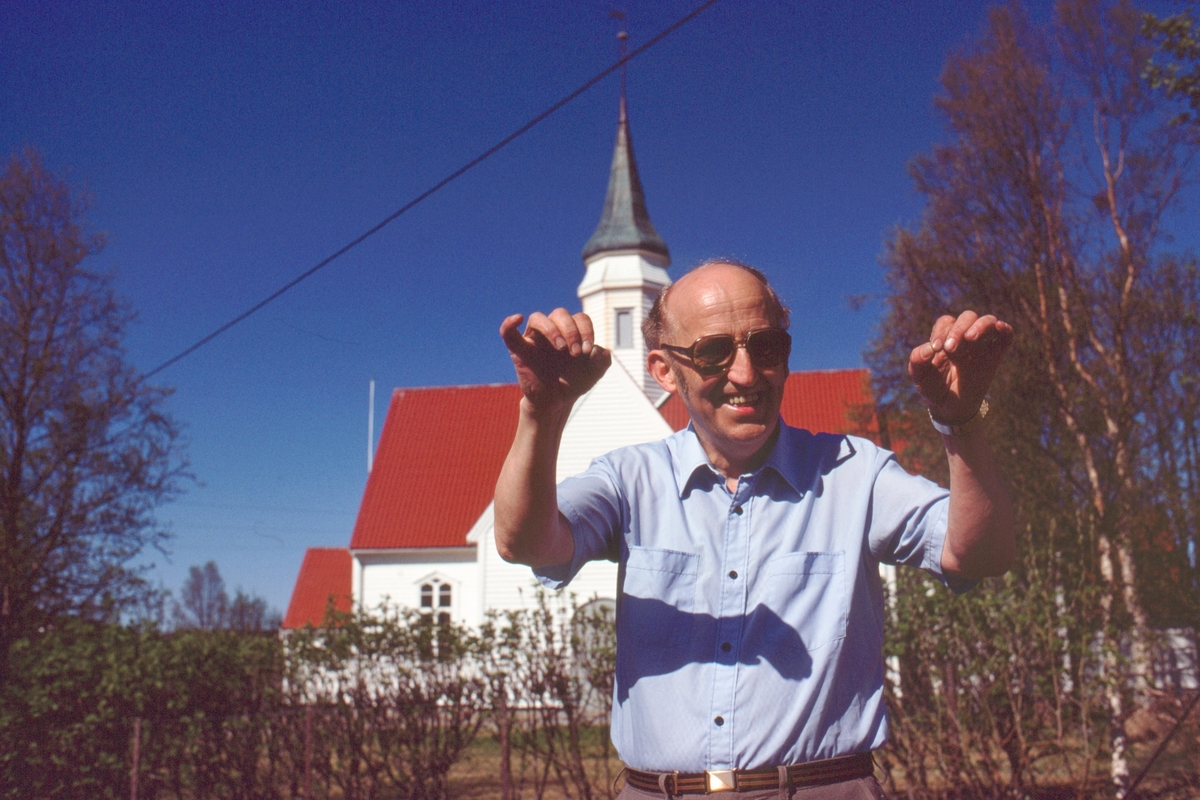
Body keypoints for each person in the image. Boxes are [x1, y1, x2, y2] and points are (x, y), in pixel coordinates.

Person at [495, 261, 1015, 799]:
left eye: (766, 348)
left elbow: (979, 555)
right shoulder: (629, 479)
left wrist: (962, 425)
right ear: (665, 370)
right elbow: (525, 543)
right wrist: (543, 411)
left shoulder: (854, 473)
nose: (746, 374)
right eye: (713, 352)